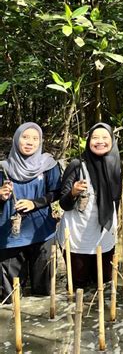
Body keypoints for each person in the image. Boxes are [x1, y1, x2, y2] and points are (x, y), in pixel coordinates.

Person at [0, 122, 61, 301]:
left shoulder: (48, 165)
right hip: (9, 236)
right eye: (25, 137)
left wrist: (35, 203)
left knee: (43, 295)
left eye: (35, 138)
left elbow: (56, 192)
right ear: (16, 139)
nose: (30, 142)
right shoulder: (3, 168)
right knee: (9, 297)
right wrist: (1, 196)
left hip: (42, 234)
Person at [57, 123, 122, 289]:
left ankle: (98, 315)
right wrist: (73, 192)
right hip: (78, 236)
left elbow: (116, 200)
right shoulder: (77, 165)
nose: (100, 141)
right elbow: (63, 203)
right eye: (95, 138)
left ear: (112, 141)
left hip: (105, 235)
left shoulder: (115, 166)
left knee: (104, 283)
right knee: (78, 285)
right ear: (88, 141)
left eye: (105, 137)